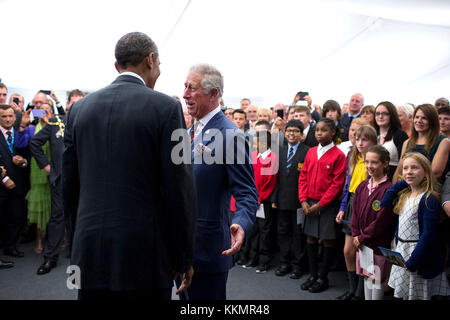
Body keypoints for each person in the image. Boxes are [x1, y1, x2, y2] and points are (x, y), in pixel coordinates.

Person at [62, 32, 196, 300]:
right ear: (151, 60)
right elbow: (178, 186)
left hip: (88, 251)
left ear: (117, 66)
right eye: (159, 64)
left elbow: (69, 186)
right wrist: (183, 257)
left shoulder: (78, 110)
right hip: (146, 253)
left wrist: (76, 247)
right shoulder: (168, 108)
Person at [183, 63, 258, 300]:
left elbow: (247, 194)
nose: (185, 94)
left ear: (214, 93)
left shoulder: (231, 136)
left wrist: (241, 224)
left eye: (192, 88)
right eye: (185, 87)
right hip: (181, 251)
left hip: (208, 251)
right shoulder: (186, 133)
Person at [382, 152, 450, 300]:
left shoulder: (428, 198)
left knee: (418, 294)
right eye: (405, 168)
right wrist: (402, 182)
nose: (409, 171)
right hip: (402, 250)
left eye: (415, 168)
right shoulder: (405, 195)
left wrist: (414, 260)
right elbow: (385, 202)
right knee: (405, 294)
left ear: (425, 172)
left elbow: (428, 235)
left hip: (418, 253)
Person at [298, 118, 347, 293]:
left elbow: (337, 184)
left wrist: (321, 204)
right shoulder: (311, 152)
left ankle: (323, 277)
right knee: (310, 237)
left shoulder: (338, 155)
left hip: (326, 205)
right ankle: (312, 275)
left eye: (324, 130)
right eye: (317, 130)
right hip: (309, 202)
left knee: (327, 239)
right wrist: (303, 200)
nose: (319, 133)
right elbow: (303, 176)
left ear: (333, 133)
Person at [335, 125, 378, 300]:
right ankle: (352, 288)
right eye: (357, 139)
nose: (360, 143)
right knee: (348, 250)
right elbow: (347, 186)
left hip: (366, 205)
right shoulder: (352, 157)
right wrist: (342, 208)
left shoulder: (373, 160)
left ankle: (360, 292)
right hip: (352, 202)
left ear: (373, 142)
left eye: (364, 139)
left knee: (364, 251)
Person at [351, 145, 395, 300]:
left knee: (376, 278)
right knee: (366, 276)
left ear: (385, 163)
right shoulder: (362, 186)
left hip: (376, 243)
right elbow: (354, 213)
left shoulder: (388, 189)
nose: (369, 166)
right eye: (367, 162)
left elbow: (382, 220)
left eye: (374, 162)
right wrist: (356, 234)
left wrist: (363, 237)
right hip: (361, 243)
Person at [271, 120, 310, 279]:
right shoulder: (279, 151)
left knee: (298, 235)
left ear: (302, 135)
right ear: (284, 133)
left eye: (295, 131)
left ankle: (297, 266)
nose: (291, 134)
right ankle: (284, 263)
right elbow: (276, 178)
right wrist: (274, 198)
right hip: (281, 200)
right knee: (282, 233)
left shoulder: (308, 152)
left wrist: (305, 200)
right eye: (289, 131)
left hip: (299, 202)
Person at [243, 130, 278, 274]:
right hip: (252, 200)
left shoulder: (272, 157)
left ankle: (264, 261)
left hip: (263, 202)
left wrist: (259, 198)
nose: (254, 144)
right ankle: (252, 258)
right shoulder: (253, 156)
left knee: (265, 232)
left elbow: (270, 183)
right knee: (253, 230)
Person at [0, 104, 30, 259]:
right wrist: (4, 178)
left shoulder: (21, 134)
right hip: (1, 185)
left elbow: (29, 157)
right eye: (4, 116)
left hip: (18, 184)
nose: (7, 119)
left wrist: (23, 162)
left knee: (16, 218)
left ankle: (10, 247)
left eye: (10, 116)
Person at [393, 104, 450, 183]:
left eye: (424, 118)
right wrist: (395, 190)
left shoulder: (444, 142)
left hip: (430, 189)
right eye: (417, 117)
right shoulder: (407, 143)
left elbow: (435, 172)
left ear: (432, 121)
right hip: (407, 188)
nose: (419, 121)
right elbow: (400, 170)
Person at [374, 101, 409, 181]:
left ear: (392, 115)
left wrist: (395, 180)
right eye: (377, 113)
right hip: (374, 178)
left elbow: (404, 160)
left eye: (385, 113)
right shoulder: (374, 133)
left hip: (392, 178)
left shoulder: (400, 134)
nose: (380, 116)